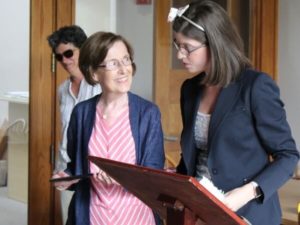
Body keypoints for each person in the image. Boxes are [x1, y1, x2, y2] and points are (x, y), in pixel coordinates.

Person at [167, 1, 299, 224]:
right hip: (200, 209)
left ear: (215, 43)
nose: (180, 55)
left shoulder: (255, 86)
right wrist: (178, 184)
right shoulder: (189, 89)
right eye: (177, 45)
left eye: (187, 47)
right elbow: (194, 154)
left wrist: (246, 193)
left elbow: (288, 156)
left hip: (248, 213)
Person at [52, 31, 165, 225]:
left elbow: (153, 175)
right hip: (92, 217)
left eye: (126, 60)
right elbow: (76, 168)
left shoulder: (148, 113)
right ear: (94, 73)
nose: (123, 70)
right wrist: (66, 177)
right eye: (113, 64)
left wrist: (123, 178)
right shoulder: (82, 113)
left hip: (136, 217)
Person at [47, 25, 101, 224]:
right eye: (59, 57)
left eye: (69, 53)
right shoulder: (63, 90)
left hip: (94, 170)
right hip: (66, 169)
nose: (64, 60)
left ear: (83, 49)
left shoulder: (100, 84)